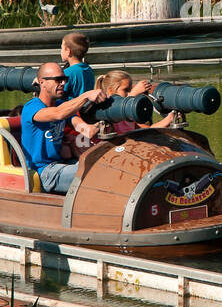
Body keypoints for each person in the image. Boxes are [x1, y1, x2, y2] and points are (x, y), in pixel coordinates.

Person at [18, 61, 106, 193]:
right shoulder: (31, 107)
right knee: (93, 173)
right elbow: (58, 114)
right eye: (58, 80)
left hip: (60, 165)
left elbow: (84, 129)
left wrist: (100, 123)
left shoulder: (61, 104)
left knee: (106, 167)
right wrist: (86, 95)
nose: (63, 83)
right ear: (42, 82)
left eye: (64, 79)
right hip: (41, 172)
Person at [68, 70, 178, 156]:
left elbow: (147, 130)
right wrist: (133, 95)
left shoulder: (127, 115)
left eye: (130, 89)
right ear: (110, 91)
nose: (129, 93)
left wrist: (170, 117)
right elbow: (89, 134)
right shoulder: (98, 111)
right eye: (126, 90)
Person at [61, 32, 94, 98]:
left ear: (68, 51)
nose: (61, 51)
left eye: (61, 48)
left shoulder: (67, 73)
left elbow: (60, 93)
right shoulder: (89, 69)